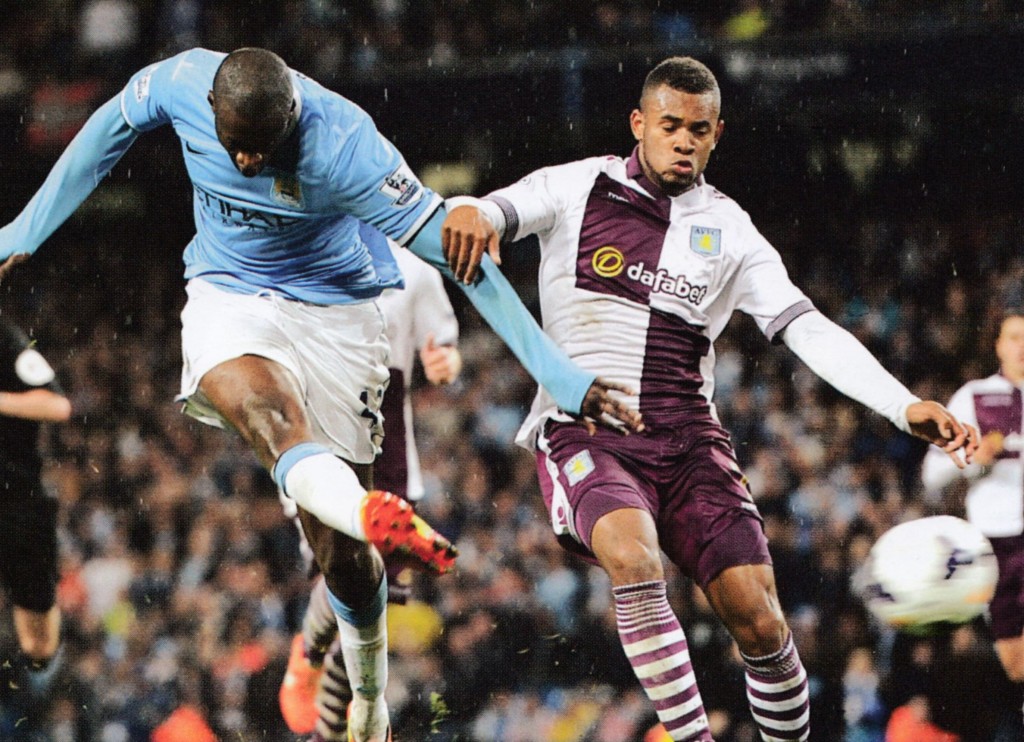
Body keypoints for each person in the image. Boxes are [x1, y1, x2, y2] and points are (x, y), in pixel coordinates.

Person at [0, 47, 641, 742]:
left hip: (338, 316)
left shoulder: (348, 147)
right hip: (228, 290)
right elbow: (108, 130)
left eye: (261, 149)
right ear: (211, 108)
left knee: (343, 563)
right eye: (233, 146)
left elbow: (470, 269)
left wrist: (562, 377)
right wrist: (25, 229)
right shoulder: (183, 81)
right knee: (262, 415)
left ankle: (368, 695)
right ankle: (368, 510)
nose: (245, 163)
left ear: (292, 118)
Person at [441, 56, 977, 742]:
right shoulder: (575, 186)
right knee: (634, 561)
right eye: (669, 125)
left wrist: (903, 406)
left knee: (759, 618)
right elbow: (490, 209)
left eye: (699, 128)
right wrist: (470, 210)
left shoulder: (731, 229)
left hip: (690, 440)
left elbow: (804, 327)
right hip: (586, 432)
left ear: (717, 133)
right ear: (640, 123)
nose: (684, 140)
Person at [279, 227, 463, 741]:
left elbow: (444, 345)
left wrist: (445, 363)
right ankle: (307, 657)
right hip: (316, 426)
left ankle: (328, 729)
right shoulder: (294, 247)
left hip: (389, 439)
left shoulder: (413, 268)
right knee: (353, 568)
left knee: (373, 597)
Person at [922, 309, 1024, 730]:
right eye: (1015, 337)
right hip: (997, 543)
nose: (1023, 347)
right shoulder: (975, 397)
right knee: (1014, 665)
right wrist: (976, 460)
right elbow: (933, 474)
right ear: (998, 345)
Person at [0, 318, 72, 705]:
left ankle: (38, 684)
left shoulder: (4, 339)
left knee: (39, 645)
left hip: (17, 501)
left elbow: (56, 404)